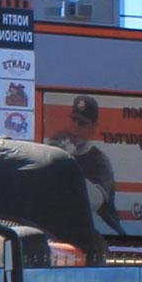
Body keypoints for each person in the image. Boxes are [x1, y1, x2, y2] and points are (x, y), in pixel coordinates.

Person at [46, 95, 124, 234]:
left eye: (82, 123)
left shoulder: (100, 162)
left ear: (94, 127)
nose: (75, 127)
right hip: (69, 233)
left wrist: (69, 160)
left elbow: (94, 202)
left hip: (107, 238)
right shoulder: (59, 146)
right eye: (73, 120)